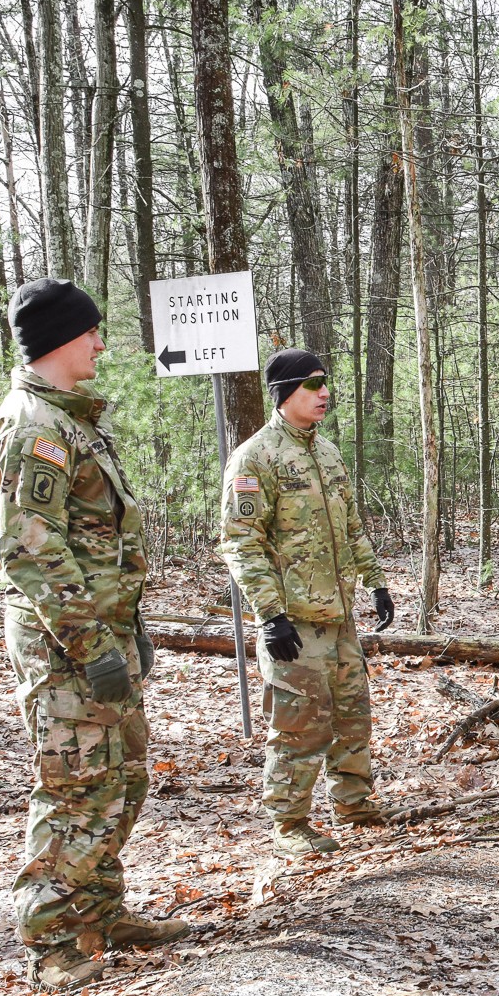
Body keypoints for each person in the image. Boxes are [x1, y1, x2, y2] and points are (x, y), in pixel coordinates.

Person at [0, 277, 188, 989]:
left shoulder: (71, 419)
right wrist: (92, 645)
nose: (102, 343)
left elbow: (96, 538)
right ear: (62, 339)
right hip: (67, 646)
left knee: (121, 781)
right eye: (93, 331)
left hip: (101, 633)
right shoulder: (34, 425)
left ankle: (100, 911)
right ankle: (53, 941)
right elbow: (31, 549)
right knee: (75, 789)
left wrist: (127, 629)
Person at [219, 350, 394, 858]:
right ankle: (290, 821)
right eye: (313, 385)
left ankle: (354, 804)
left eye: (325, 384)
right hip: (294, 620)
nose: (324, 394)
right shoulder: (256, 457)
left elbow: (352, 526)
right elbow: (240, 541)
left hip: (338, 617)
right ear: (284, 393)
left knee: (351, 715)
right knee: (299, 724)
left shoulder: (328, 453)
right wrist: (270, 615)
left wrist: (375, 582)